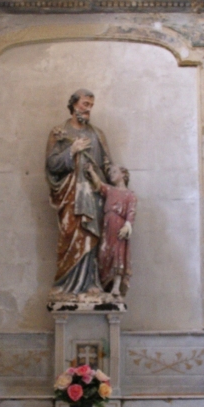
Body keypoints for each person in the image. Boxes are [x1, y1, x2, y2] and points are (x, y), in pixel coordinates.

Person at [45, 89, 112, 298]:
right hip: (70, 194)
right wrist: (72, 150)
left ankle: (91, 282)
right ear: (74, 105)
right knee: (69, 234)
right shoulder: (58, 133)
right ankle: (64, 283)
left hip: (92, 194)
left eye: (91, 105)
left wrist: (116, 180)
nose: (89, 109)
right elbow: (51, 164)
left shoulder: (97, 134)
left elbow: (107, 164)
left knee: (91, 235)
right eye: (85, 104)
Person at [96, 164, 137, 298]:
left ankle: (116, 287)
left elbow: (131, 211)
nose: (111, 174)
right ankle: (104, 284)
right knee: (103, 253)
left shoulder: (130, 194)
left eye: (114, 172)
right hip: (107, 226)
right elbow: (99, 184)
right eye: (110, 172)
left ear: (123, 175)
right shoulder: (110, 190)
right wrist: (90, 171)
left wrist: (127, 225)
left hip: (119, 227)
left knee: (118, 254)